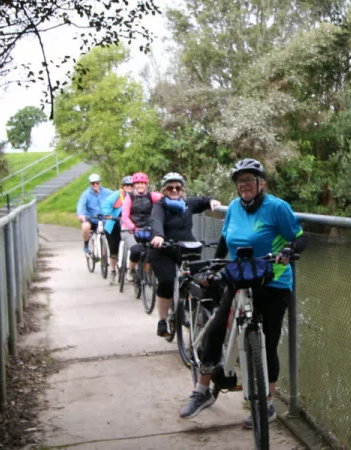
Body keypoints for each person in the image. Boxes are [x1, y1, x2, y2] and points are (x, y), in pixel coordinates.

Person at [178, 158, 307, 428]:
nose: (243, 185)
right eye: (240, 181)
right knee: (215, 330)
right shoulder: (235, 207)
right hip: (239, 279)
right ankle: (202, 392)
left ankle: (268, 404)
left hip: (273, 283)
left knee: (268, 343)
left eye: (249, 180)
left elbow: (299, 236)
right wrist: (215, 264)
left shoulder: (277, 207)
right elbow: (226, 240)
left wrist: (288, 251)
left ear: (261, 183)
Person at [147, 172, 221, 338]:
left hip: (186, 248)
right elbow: (155, 220)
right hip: (163, 250)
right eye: (170, 188)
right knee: (166, 280)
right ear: (164, 190)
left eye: (178, 187)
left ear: (182, 190)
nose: (174, 190)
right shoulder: (159, 206)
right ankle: (162, 320)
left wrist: (211, 201)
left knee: (202, 277)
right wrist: (158, 235)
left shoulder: (187, 204)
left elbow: (202, 201)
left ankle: (193, 309)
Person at [120, 172, 162, 281]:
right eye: (137, 183)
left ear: (146, 185)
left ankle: (147, 272)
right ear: (134, 185)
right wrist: (133, 228)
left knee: (154, 249)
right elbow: (125, 216)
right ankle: (131, 270)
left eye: (143, 183)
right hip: (130, 230)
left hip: (148, 229)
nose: (140, 185)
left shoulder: (152, 196)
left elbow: (164, 200)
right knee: (136, 250)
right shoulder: (129, 198)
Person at [99, 175, 133, 277]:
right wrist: (107, 215)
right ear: (123, 186)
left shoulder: (136, 196)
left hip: (129, 224)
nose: (129, 187)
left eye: (131, 185)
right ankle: (113, 270)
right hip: (114, 223)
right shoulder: (118, 194)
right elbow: (106, 204)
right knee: (114, 249)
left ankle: (132, 268)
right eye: (127, 185)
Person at [76, 173, 114, 255]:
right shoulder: (86, 194)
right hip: (91, 218)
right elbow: (81, 204)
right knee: (85, 227)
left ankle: (107, 253)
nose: (95, 185)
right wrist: (81, 214)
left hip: (103, 219)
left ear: (100, 183)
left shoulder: (107, 192)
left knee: (112, 230)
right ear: (90, 184)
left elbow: (117, 197)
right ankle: (86, 244)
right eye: (93, 183)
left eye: (97, 183)